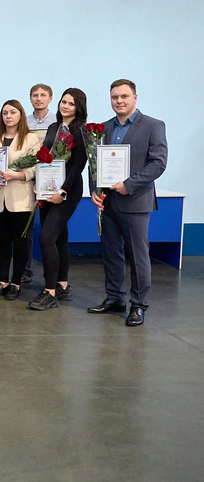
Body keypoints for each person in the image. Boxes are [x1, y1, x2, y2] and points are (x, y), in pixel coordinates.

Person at [88, 79, 168, 327]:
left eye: (124, 96)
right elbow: (94, 162)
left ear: (135, 97)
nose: (119, 101)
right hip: (108, 202)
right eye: (115, 97)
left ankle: (138, 305)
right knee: (111, 254)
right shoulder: (102, 128)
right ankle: (114, 298)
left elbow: (158, 163)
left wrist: (129, 184)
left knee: (137, 256)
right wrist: (94, 190)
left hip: (135, 202)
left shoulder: (153, 125)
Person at [0, 100, 42, 301]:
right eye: (5, 113)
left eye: (13, 112)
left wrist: (17, 175)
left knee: (20, 242)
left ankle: (16, 283)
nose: (8, 116)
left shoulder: (30, 139)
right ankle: (2, 281)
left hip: (20, 199)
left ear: (20, 115)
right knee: (3, 241)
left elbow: (37, 168)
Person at [29, 88, 88, 311]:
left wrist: (62, 192)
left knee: (46, 238)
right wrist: (38, 183)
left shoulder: (81, 131)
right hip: (47, 188)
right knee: (59, 236)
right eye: (64, 102)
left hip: (67, 190)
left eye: (71, 104)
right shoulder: (54, 127)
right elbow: (45, 157)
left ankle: (50, 293)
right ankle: (62, 285)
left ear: (79, 107)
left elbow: (78, 165)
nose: (66, 106)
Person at [20, 83, 57, 283]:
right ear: (30, 98)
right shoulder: (23, 123)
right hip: (27, 179)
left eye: (43, 95)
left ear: (50, 99)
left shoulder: (57, 122)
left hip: (51, 181)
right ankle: (25, 271)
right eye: (35, 95)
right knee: (25, 228)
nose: (38, 98)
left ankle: (53, 276)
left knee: (50, 229)